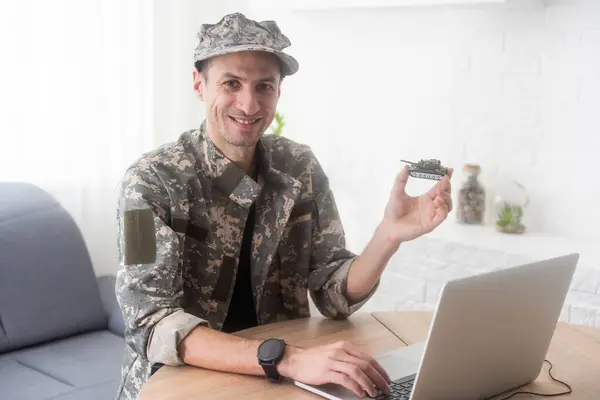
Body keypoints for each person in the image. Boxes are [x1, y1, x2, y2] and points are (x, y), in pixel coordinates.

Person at [113, 12, 453, 400]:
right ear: (199, 85)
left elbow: (333, 293)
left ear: (279, 92)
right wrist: (286, 358)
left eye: (264, 86)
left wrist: (389, 235)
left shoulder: (299, 167)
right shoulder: (146, 183)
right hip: (179, 386)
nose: (248, 103)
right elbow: (151, 324)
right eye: (231, 83)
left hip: (281, 383)